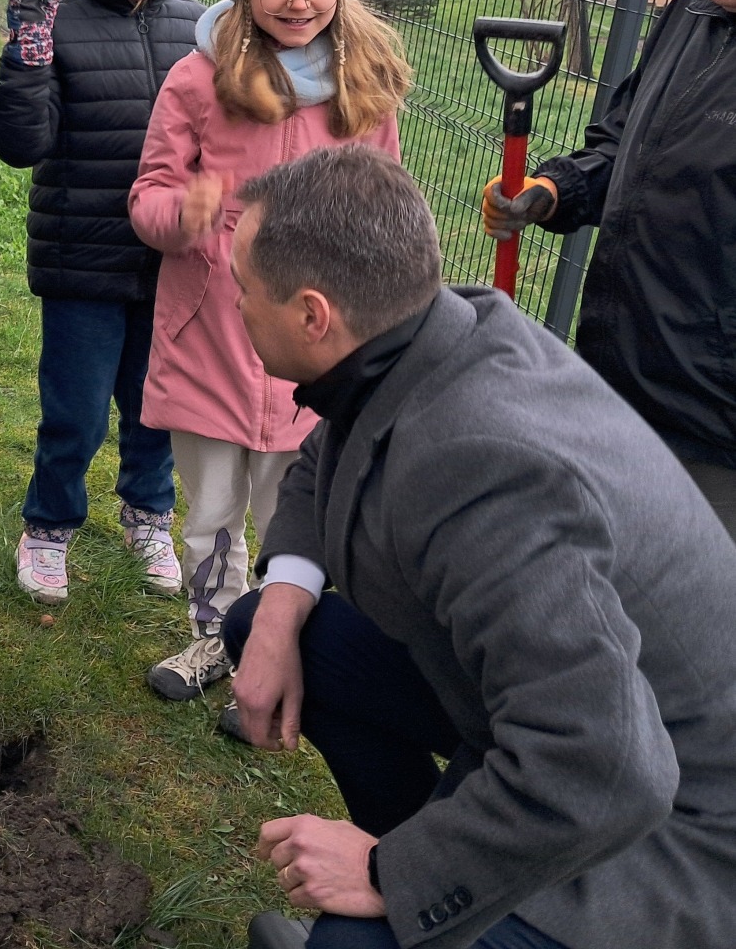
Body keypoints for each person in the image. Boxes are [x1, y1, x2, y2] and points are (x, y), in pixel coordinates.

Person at [219, 147, 736, 949]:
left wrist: (394, 875)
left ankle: (410, 898)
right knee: (263, 625)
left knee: (348, 946)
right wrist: (282, 610)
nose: (235, 304)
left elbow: (614, 770)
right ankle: (434, 873)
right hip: (561, 721)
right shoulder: (432, 331)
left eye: (242, 289)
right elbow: (331, 452)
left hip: (670, 828)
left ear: (311, 315)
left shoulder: (481, 469)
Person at [129, 0, 408, 708]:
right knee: (212, 504)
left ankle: (284, 641)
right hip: (212, 334)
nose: (298, 1)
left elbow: (383, 201)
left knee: (300, 502)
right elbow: (146, 197)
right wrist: (186, 212)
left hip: (315, 343)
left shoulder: (364, 87)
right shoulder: (196, 79)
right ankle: (214, 633)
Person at [483, 0, 736, 538]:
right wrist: (557, 189)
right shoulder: (693, 11)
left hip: (716, 429)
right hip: (622, 378)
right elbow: (623, 140)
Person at [0, 0, 204, 604]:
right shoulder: (62, 23)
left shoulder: (200, 27)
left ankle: (148, 511)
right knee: (74, 409)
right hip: (82, 256)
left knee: (157, 402)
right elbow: (20, 146)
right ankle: (48, 525)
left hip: (172, 261)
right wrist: (28, 56)